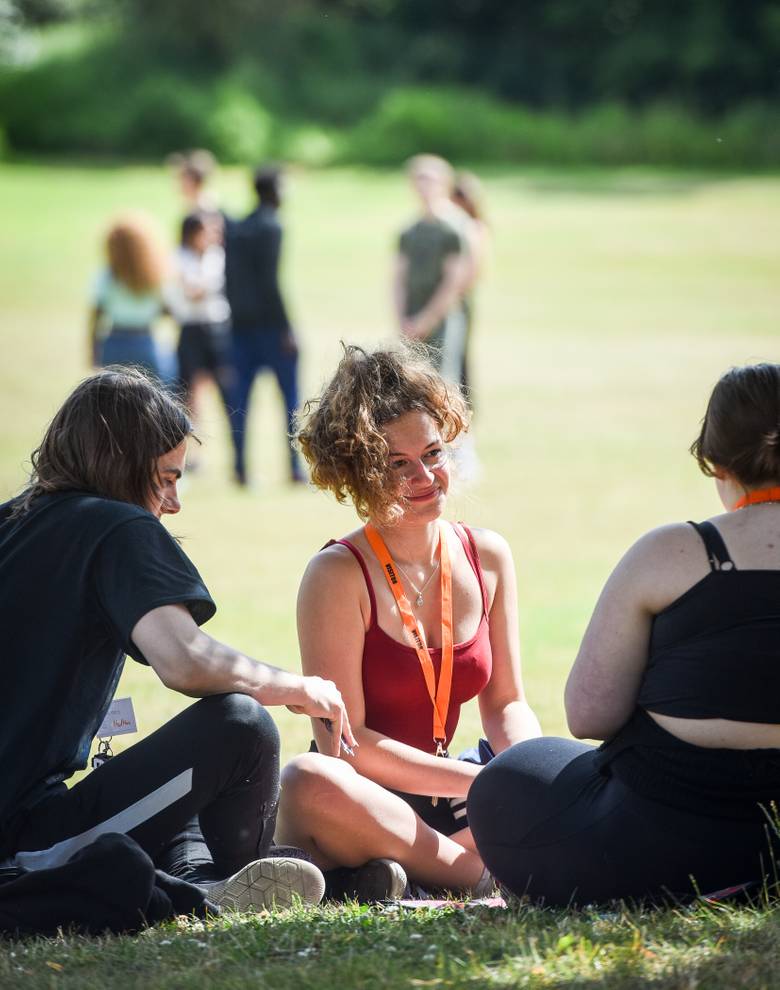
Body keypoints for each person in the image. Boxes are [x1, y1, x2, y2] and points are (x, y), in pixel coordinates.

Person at [0, 367, 355, 917]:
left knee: (178, 763)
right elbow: (185, 661)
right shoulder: (115, 525)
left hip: (28, 812)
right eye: (166, 478)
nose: (173, 501)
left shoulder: (12, 522)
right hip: (19, 839)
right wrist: (299, 688)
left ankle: (213, 876)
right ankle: (240, 879)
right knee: (238, 725)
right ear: (121, 467)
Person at [469, 363, 780, 907]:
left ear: (715, 461)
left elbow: (590, 716)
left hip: (655, 844)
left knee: (508, 777)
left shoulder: (674, 552)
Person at [276, 344, 541, 901]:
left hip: (457, 786)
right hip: (367, 796)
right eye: (398, 464)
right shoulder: (335, 574)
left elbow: (507, 704)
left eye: (435, 453)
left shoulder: (486, 555)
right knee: (305, 780)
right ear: (358, 472)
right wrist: (482, 783)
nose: (426, 476)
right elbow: (344, 748)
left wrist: (530, 774)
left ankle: (402, 875)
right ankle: (480, 876)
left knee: (576, 767)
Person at [223, 164, 304, 486]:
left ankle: (240, 468)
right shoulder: (272, 227)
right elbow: (270, 282)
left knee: (239, 403)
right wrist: (287, 327)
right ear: (274, 191)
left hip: (237, 328)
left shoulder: (236, 228)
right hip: (270, 329)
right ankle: (294, 468)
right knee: (290, 400)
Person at [393, 155, 472, 385]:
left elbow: (453, 282)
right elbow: (398, 278)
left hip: (442, 317)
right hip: (411, 314)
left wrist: (426, 320)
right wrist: (402, 318)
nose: (424, 185)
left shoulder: (453, 228)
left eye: (430, 179)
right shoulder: (409, 230)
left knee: (441, 385)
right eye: (419, 179)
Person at [170, 212, 234, 463]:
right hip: (191, 329)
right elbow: (189, 292)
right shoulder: (178, 258)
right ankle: (192, 455)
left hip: (216, 329)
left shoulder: (215, 257)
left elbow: (197, 288)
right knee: (188, 393)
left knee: (227, 390)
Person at [88, 213, 175, 383]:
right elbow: (168, 310)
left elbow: (96, 317)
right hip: (145, 342)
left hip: (114, 343)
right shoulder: (154, 277)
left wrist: (93, 351)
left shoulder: (107, 278)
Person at [451, 171, 490, 409]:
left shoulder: (471, 227)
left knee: (458, 352)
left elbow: (475, 268)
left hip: (459, 299)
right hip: (454, 296)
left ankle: (464, 403)